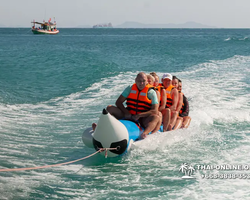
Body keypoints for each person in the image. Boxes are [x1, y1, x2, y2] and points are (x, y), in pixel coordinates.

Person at [106, 72, 161, 138]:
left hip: (142, 118)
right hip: (128, 114)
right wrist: (126, 112)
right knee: (110, 108)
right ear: (135, 80)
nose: (141, 83)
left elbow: (155, 110)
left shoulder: (151, 92)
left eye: (143, 81)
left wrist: (139, 115)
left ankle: (144, 133)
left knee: (156, 117)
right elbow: (118, 102)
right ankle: (103, 126)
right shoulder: (130, 88)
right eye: (139, 81)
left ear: (147, 81)